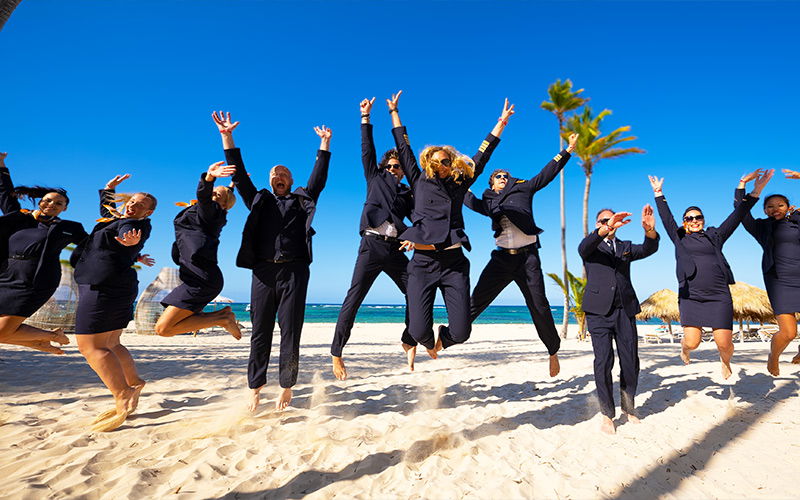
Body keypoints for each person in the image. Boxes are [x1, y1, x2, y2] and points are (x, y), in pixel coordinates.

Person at [213, 111, 331, 412]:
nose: (279, 176)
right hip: (263, 270)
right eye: (274, 175)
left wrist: (324, 145)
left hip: (294, 270)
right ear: (269, 181)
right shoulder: (259, 200)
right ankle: (255, 387)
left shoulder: (302, 200)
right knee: (261, 331)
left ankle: (287, 385)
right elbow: (239, 176)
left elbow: (318, 180)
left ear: (290, 181)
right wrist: (227, 137)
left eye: (284, 174)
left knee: (291, 330)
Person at [440, 132, 579, 376]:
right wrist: (457, 180)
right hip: (502, 259)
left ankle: (553, 351)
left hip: (528, 259)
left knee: (539, 305)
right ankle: (447, 337)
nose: (503, 178)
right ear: (492, 184)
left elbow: (546, 174)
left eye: (506, 175)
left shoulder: (524, 189)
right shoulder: (488, 202)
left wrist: (567, 151)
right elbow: (464, 197)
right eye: (498, 177)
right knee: (476, 301)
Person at [387, 91, 512, 357]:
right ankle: (425, 342)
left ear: (451, 163)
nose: (439, 165)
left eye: (444, 161)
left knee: (461, 333)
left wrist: (500, 124)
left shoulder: (459, 183)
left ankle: (443, 337)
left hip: (454, 264)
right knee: (419, 332)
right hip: (422, 263)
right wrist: (394, 112)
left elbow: (482, 156)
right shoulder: (418, 180)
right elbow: (403, 146)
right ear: (427, 163)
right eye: (434, 161)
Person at [649, 172, 768, 378]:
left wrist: (755, 191)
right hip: (691, 296)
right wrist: (659, 193)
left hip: (718, 295)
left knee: (724, 343)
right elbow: (666, 218)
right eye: (690, 218)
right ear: (684, 222)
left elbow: (737, 216)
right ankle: (684, 348)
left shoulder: (715, 236)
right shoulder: (679, 237)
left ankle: (725, 361)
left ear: (703, 220)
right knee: (692, 342)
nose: (694, 220)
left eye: (698, 217)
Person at [330, 97, 416, 380]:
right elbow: (367, 149)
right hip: (371, 245)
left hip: (395, 250)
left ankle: (408, 339)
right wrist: (365, 118)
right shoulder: (375, 178)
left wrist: (414, 238)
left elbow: (418, 220)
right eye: (389, 166)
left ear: (403, 170)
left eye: (397, 166)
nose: (393, 169)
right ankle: (337, 352)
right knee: (354, 298)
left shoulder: (407, 193)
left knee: (416, 291)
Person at [72, 173, 156, 431]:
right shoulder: (117, 219)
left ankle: (122, 393)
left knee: (89, 346)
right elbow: (110, 215)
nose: (133, 205)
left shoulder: (134, 226)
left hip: (104, 286)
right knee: (111, 342)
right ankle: (134, 382)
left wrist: (133, 243)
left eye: (141, 205)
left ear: (148, 212)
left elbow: (127, 232)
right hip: (116, 285)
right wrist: (108, 189)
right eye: (132, 201)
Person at [579, 206, 659, 434]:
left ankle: (628, 408)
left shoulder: (625, 247)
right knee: (603, 361)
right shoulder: (591, 245)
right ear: (597, 225)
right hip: (598, 313)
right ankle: (607, 414)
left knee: (630, 360)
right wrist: (606, 228)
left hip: (625, 310)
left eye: (611, 220)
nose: (608, 223)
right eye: (603, 221)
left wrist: (650, 231)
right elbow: (583, 249)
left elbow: (649, 248)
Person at [0, 152, 88, 354]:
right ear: (40, 201)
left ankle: (50, 338)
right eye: (48, 200)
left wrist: (133, 253)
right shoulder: (20, 218)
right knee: (4, 331)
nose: (51, 205)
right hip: (6, 276)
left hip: (37, 280)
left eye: (58, 204)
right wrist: (1, 165)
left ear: (64, 209)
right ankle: (42, 340)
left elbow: (94, 245)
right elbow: (4, 193)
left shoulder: (69, 227)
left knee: (2, 332)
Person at [154, 161, 241, 339]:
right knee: (164, 328)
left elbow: (205, 197)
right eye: (214, 191)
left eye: (217, 194)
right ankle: (222, 316)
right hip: (195, 277)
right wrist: (233, 184)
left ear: (223, 205)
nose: (213, 193)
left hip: (202, 279)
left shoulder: (211, 212)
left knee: (163, 329)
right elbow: (219, 197)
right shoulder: (212, 215)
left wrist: (209, 178)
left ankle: (223, 319)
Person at [735, 168, 799, 375]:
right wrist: (744, 184)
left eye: (780, 205)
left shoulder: (796, 221)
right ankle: (774, 356)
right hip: (779, 281)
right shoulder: (761, 228)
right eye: (770, 206)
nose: (775, 209)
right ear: (764, 210)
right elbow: (740, 212)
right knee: (788, 333)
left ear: (788, 207)